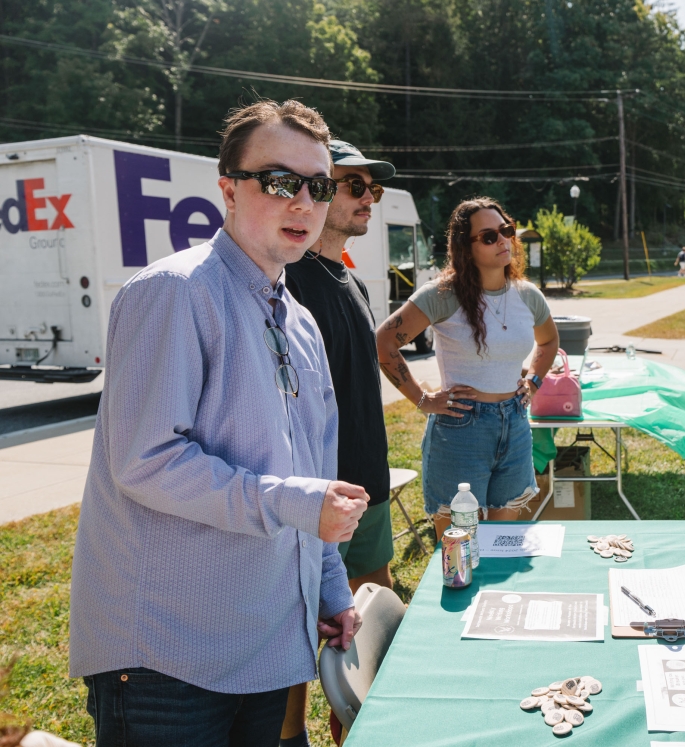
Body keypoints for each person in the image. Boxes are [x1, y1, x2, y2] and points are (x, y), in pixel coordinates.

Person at [69, 99, 368, 745]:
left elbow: (312, 472)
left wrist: (331, 587)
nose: (305, 203)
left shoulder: (301, 319)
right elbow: (145, 462)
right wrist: (294, 501)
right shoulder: (175, 291)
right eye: (282, 181)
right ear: (228, 188)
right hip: (166, 658)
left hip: (262, 648)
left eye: (319, 186)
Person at [279, 140, 397, 747]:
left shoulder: (347, 276)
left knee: (367, 635)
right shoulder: (288, 282)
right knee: (308, 634)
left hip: (368, 487)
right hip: (316, 499)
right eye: (355, 186)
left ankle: (358, 736)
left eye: (371, 190)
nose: (367, 199)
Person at [375, 197, 560, 537]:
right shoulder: (442, 295)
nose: (503, 241)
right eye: (489, 237)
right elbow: (384, 343)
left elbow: (549, 343)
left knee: (502, 545)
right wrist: (422, 400)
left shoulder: (528, 296)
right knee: (460, 548)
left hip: (515, 423)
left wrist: (533, 381)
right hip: (461, 428)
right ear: (465, 247)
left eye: (506, 230)